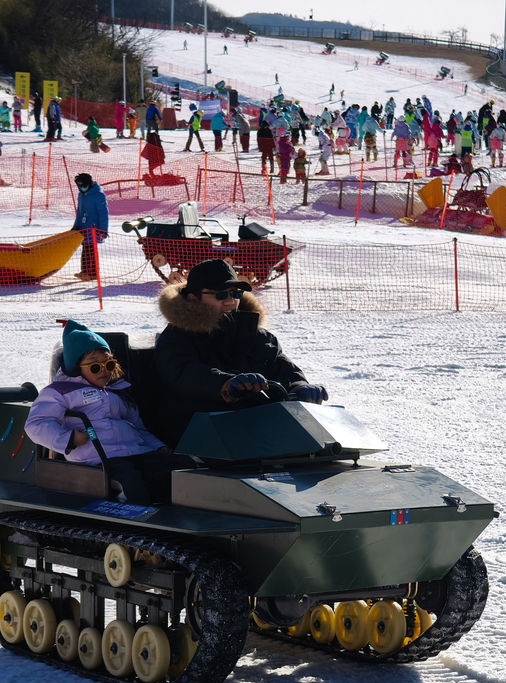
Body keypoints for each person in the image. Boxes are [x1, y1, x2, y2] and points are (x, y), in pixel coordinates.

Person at [153, 260, 328, 446]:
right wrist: (226, 383)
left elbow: (280, 365)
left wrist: (299, 385)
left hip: (256, 429)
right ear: (193, 298)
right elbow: (184, 373)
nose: (230, 301)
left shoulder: (256, 335)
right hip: (200, 434)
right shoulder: (177, 337)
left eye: (236, 293)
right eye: (220, 294)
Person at [24, 320, 188, 505]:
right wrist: (68, 439)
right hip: (97, 459)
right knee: (131, 483)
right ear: (76, 368)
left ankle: (175, 515)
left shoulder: (117, 393)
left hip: (134, 452)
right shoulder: (60, 392)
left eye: (108, 365)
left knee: (179, 470)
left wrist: (157, 446)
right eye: (95, 367)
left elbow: (138, 428)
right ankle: (131, 517)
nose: (103, 371)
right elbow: (36, 424)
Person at [71, 173, 108, 280]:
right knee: (85, 249)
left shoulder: (98, 195)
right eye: (79, 186)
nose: (82, 188)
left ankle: (91, 273)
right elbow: (79, 212)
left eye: (84, 185)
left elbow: (103, 214)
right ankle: (86, 272)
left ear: (89, 184)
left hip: (94, 228)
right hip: (83, 228)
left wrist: (103, 230)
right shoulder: (81, 195)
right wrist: (76, 226)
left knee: (90, 250)